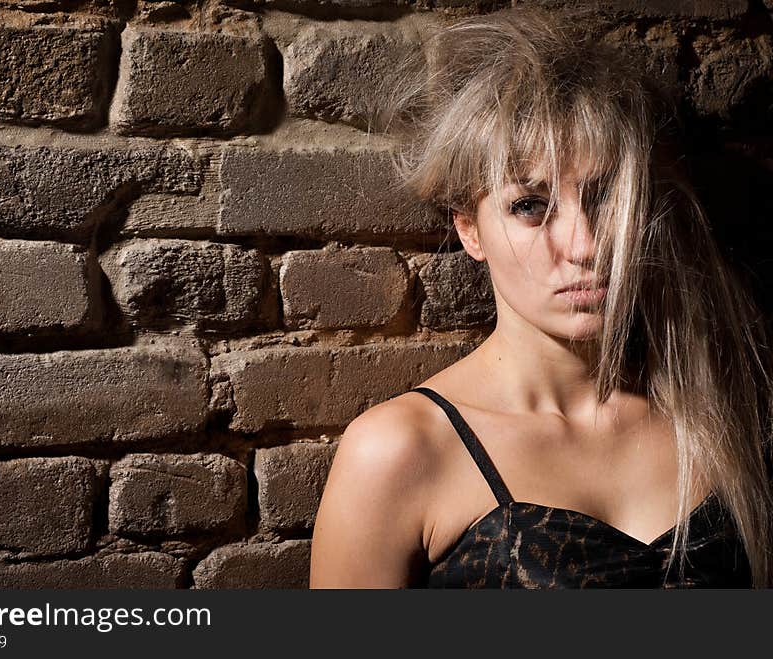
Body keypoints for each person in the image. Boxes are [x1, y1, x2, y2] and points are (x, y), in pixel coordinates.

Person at [309, 5, 773, 588]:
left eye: (607, 197)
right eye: (530, 206)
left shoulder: (716, 414)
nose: (585, 245)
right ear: (469, 230)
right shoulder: (400, 451)